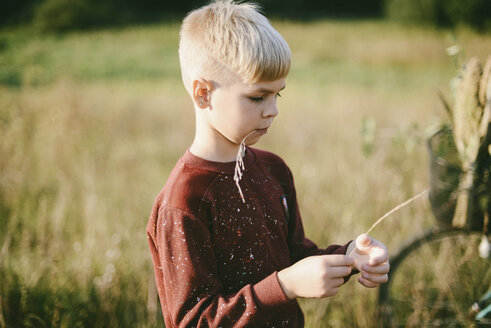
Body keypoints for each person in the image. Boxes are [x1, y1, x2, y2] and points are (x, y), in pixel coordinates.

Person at [146, 1, 390, 326]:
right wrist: (285, 286)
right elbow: (192, 319)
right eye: (258, 97)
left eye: (279, 95)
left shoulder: (274, 169)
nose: (273, 110)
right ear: (203, 93)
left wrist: (349, 257)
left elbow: (293, 256)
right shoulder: (184, 201)